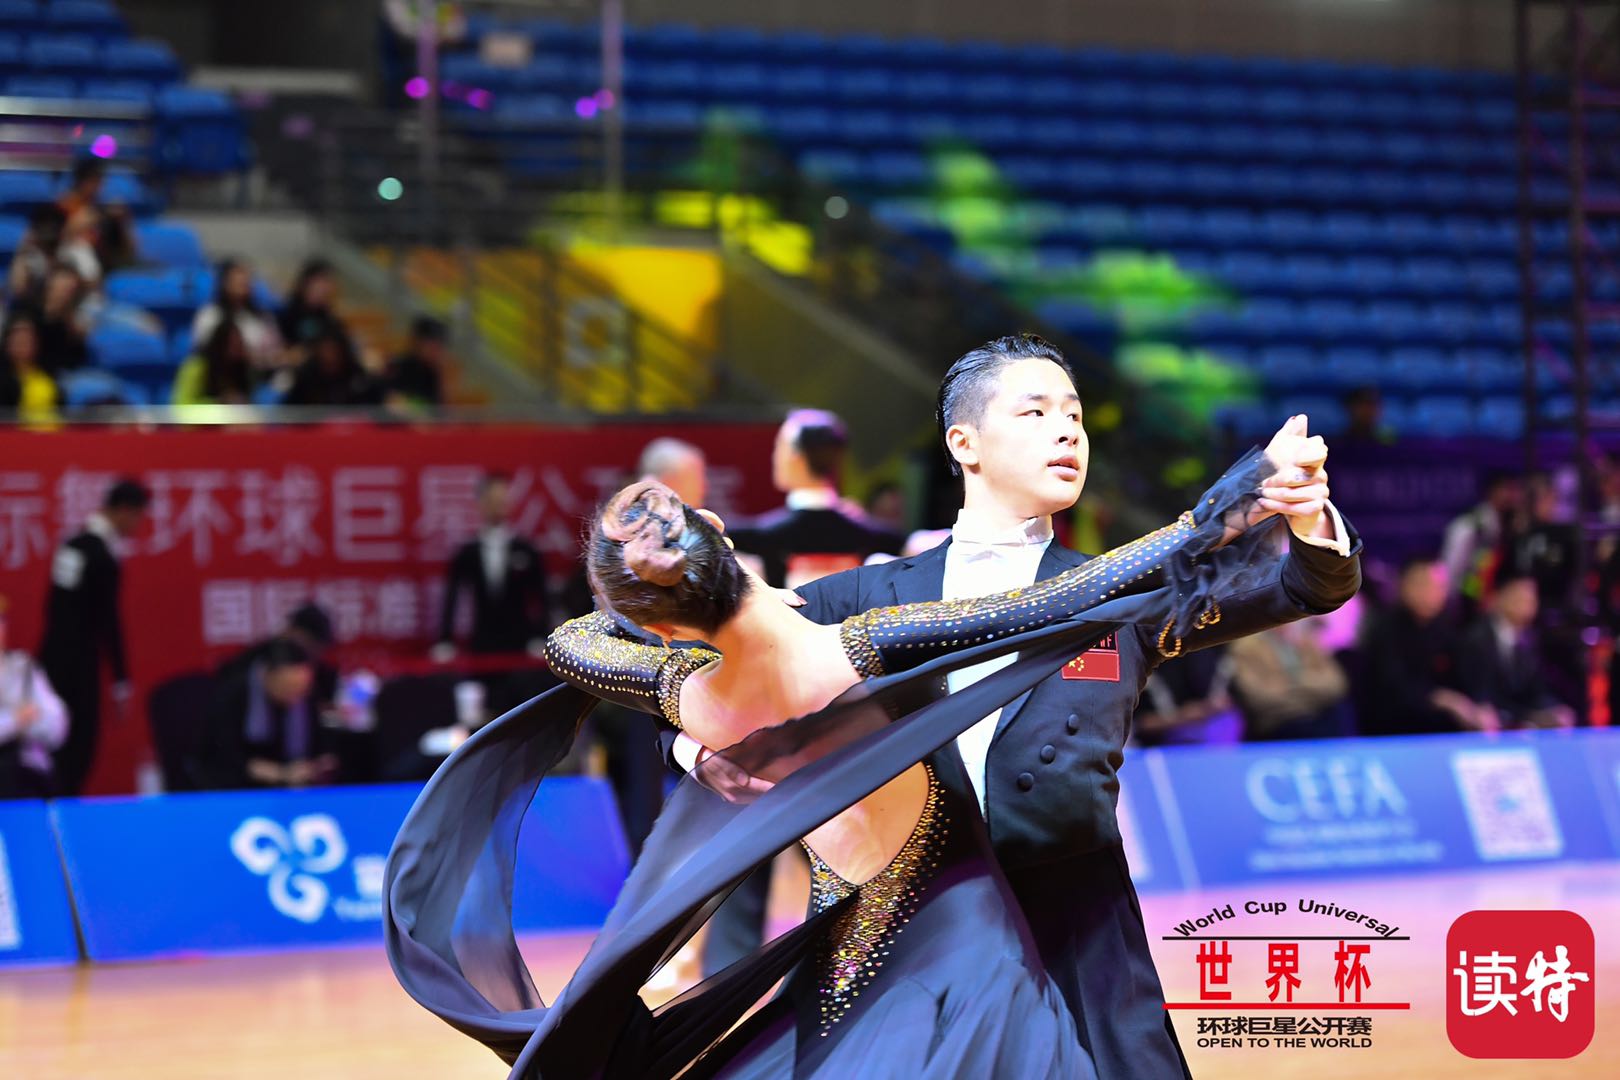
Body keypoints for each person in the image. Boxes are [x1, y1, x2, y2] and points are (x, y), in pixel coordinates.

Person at [385, 337, 1361, 1079]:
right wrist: (704, 752)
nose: (1068, 430)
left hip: (1077, 928)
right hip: (893, 937)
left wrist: (1307, 515)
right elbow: (698, 653)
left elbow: (1304, 586)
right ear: (963, 443)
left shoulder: (1123, 598)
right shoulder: (866, 600)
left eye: (1074, 414)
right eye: (1035, 412)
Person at [698, 408, 905, 978]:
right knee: (852, 864)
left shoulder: (751, 540)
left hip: (767, 721)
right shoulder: (882, 541)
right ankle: (850, 982)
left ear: (793, 459)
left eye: (779, 448)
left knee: (744, 862)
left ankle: (724, 989)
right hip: (857, 724)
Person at [41, 477, 150, 795]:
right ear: (125, 510)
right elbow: (107, 620)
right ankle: (60, 809)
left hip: (54, 658)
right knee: (75, 746)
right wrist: (120, 677)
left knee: (66, 748)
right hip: (76, 665)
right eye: (138, 517)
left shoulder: (74, 544)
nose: (137, 526)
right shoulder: (97, 553)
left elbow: (55, 607)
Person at [1356, 555, 1483, 735]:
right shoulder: (1384, 629)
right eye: (1423, 585)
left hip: (1442, 732)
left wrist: (1479, 705)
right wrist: (1440, 699)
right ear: (1403, 585)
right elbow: (1393, 690)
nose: (1432, 594)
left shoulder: (1448, 628)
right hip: (1392, 731)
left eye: (1440, 587)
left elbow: (1466, 677)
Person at [190, 638, 339, 790]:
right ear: (265, 675)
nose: (295, 697)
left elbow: (321, 746)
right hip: (235, 788)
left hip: (293, 788)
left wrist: (319, 764)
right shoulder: (232, 697)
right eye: (287, 686)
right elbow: (225, 756)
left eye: (301, 688)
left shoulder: (307, 698)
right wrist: (281, 773)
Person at [433, 473, 550, 658]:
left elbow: (542, 597)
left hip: (521, 644)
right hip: (482, 643)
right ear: (480, 503)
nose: (498, 505)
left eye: (502, 499)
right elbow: (452, 598)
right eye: (492, 499)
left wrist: (541, 635)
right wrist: (446, 640)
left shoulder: (526, 549)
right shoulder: (467, 553)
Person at [1454, 571, 1576, 731]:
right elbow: (1479, 693)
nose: (1526, 603)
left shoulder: (1530, 638)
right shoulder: (1476, 639)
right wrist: (1525, 718)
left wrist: (1553, 708)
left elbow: (1536, 689)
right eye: (1519, 597)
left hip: (1521, 721)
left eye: (1531, 598)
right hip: (1486, 722)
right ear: (1498, 598)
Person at [1228, 615, 1353, 740]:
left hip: (1320, 717)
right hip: (1277, 724)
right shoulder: (1245, 647)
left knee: (1339, 714)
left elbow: (1336, 684)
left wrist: (1294, 685)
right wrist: (1308, 691)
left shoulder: (1305, 640)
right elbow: (1258, 697)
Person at [0, 595, 70, 800]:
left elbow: (58, 725)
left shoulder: (23, 667)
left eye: (2, 620)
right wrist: (15, 720)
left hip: (27, 773)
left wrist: (27, 723)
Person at [1440, 470, 1524, 617]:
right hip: (1468, 605)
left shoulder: (1512, 526)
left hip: (1501, 605)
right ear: (1493, 492)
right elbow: (1451, 572)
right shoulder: (1470, 525)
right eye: (1508, 490)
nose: (1514, 498)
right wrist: (1474, 594)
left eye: (1516, 491)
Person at [190, 257, 281, 372]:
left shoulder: (263, 317)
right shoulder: (209, 315)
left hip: (260, 374)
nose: (243, 281)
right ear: (225, 282)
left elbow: (276, 351)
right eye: (237, 278)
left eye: (247, 278)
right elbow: (204, 351)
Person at [282, 324, 381, 407]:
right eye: (325, 349)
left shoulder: (356, 374)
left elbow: (372, 405)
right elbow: (292, 409)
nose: (329, 355)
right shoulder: (305, 376)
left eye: (334, 350)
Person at [171, 320, 254, 406]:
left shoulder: (241, 368)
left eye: (240, 343)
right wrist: (219, 402)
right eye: (233, 343)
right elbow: (182, 403)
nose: (238, 348)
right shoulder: (196, 366)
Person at [0, 309, 60, 423]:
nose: (22, 344)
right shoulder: (4, 381)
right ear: (7, 343)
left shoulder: (48, 375)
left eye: (27, 339)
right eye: (18, 340)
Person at [383, 314, 449, 410]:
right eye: (432, 344)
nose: (437, 350)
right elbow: (391, 402)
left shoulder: (432, 374)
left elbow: (439, 409)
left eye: (439, 345)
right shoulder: (397, 366)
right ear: (417, 342)